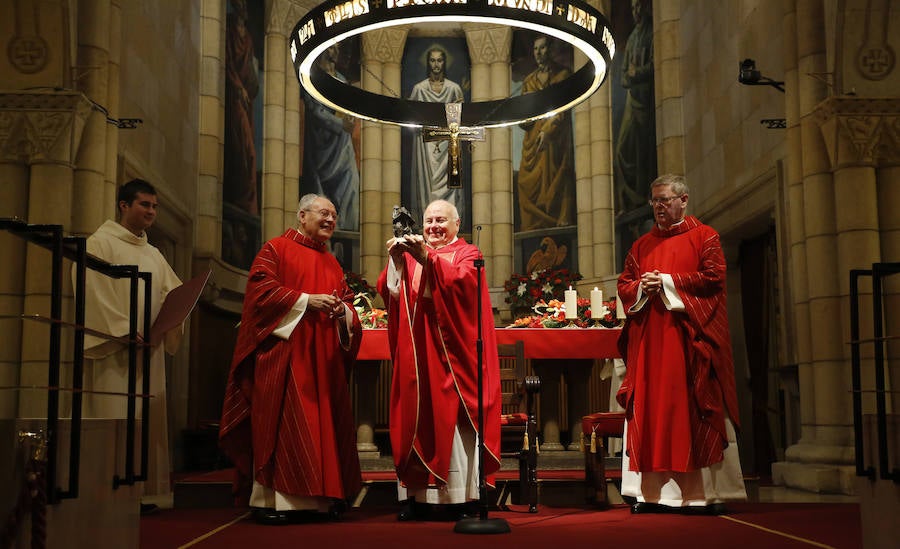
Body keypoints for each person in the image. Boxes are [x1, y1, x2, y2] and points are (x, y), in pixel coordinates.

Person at [218, 194, 363, 525]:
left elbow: (349, 303)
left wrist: (344, 312)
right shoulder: (275, 250)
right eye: (323, 213)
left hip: (323, 363)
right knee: (286, 428)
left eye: (334, 215)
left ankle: (324, 500)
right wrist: (304, 301)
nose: (330, 220)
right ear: (302, 215)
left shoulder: (332, 263)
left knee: (323, 428)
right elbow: (260, 294)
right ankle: (276, 501)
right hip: (285, 357)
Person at [616, 174, 746, 515]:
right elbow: (625, 283)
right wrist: (643, 287)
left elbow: (714, 278)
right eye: (654, 201)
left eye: (665, 200)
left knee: (691, 410)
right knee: (650, 409)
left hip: (689, 342)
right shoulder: (641, 246)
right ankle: (651, 495)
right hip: (650, 345)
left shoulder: (706, 237)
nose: (659, 207)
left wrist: (669, 283)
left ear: (683, 200)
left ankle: (702, 495)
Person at [376, 199, 501, 521]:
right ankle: (418, 497)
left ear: (457, 225)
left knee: (453, 424)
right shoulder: (413, 256)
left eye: (441, 221)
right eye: (429, 220)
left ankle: (461, 498)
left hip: (452, 360)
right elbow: (390, 293)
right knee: (417, 420)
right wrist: (396, 262)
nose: (433, 226)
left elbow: (462, 287)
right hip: (417, 357)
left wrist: (427, 259)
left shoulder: (468, 254)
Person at [76, 178, 183, 515]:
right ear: (123, 205)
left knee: (144, 421)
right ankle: (108, 491)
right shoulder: (100, 243)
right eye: (144, 205)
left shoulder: (154, 253)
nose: (151, 212)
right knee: (114, 419)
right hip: (116, 349)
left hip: (148, 351)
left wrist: (171, 320)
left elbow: (174, 294)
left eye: (154, 206)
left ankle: (139, 492)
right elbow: (90, 288)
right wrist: (122, 329)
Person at [516, 35, 576, 231]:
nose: (539, 53)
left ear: (550, 50)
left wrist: (547, 130)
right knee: (525, 181)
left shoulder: (563, 75)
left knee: (557, 178)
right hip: (532, 141)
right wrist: (523, 118)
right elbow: (524, 114)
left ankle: (560, 220)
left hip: (555, 140)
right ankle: (533, 227)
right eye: (535, 49)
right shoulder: (529, 81)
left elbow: (562, 109)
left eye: (542, 48)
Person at [302, 43, 360, 232]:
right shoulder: (312, 78)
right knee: (318, 191)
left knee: (351, 181)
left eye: (336, 48)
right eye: (331, 48)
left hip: (341, 144)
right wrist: (340, 124)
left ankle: (347, 229)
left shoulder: (342, 80)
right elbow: (314, 110)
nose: (334, 51)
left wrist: (349, 119)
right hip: (320, 142)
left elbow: (348, 109)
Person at [408, 47, 466, 223]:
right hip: (426, 144)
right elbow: (411, 116)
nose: (436, 64)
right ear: (428, 63)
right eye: (432, 60)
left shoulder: (454, 89)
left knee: (452, 177)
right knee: (427, 182)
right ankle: (428, 217)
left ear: (444, 63)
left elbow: (461, 120)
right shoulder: (419, 89)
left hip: (449, 142)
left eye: (439, 60)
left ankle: (450, 217)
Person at [613, 0, 656, 213]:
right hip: (633, 100)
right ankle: (630, 200)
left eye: (639, 6)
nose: (636, 12)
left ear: (646, 7)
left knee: (644, 151)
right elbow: (623, 76)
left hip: (648, 100)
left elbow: (657, 64)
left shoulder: (654, 32)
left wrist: (636, 73)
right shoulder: (631, 39)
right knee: (623, 149)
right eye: (632, 8)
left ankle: (642, 200)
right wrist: (631, 76)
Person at [224, 0, 260, 216]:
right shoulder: (228, 29)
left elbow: (252, 76)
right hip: (232, 99)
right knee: (241, 148)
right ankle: (240, 201)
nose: (243, 7)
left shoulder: (247, 37)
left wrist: (250, 87)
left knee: (249, 153)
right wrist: (239, 87)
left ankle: (248, 205)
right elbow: (227, 63)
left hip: (245, 100)